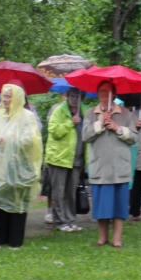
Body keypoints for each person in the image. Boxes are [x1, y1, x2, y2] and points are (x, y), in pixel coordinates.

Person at [0, 83, 43, 249]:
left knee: (17, 202)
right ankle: (0, 239)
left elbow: (31, 140)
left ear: (17, 97)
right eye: (3, 96)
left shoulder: (27, 116)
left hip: (19, 165)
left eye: (8, 96)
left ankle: (15, 240)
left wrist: (9, 139)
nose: (4, 100)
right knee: (0, 199)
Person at [83, 81, 138, 248]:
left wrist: (117, 128)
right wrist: (100, 123)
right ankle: (102, 238)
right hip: (100, 166)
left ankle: (117, 239)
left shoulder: (126, 114)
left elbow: (134, 137)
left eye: (107, 91)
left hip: (119, 166)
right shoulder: (91, 113)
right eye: (101, 91)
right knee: (102, 205)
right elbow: (85, 136)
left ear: (114, 94)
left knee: (119, 205)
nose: (104, 94)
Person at [45, 87, 86, 232]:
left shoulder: (85, 111)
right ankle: (60, 221)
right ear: (67, 96)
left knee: (71, 191)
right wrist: (70, 123)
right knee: (58, 191)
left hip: (77, 158)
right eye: (72, 96)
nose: (75, 99)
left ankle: (71, 220)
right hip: (59, 158)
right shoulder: (59, 111)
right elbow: (54, 131)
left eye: (78, 96)